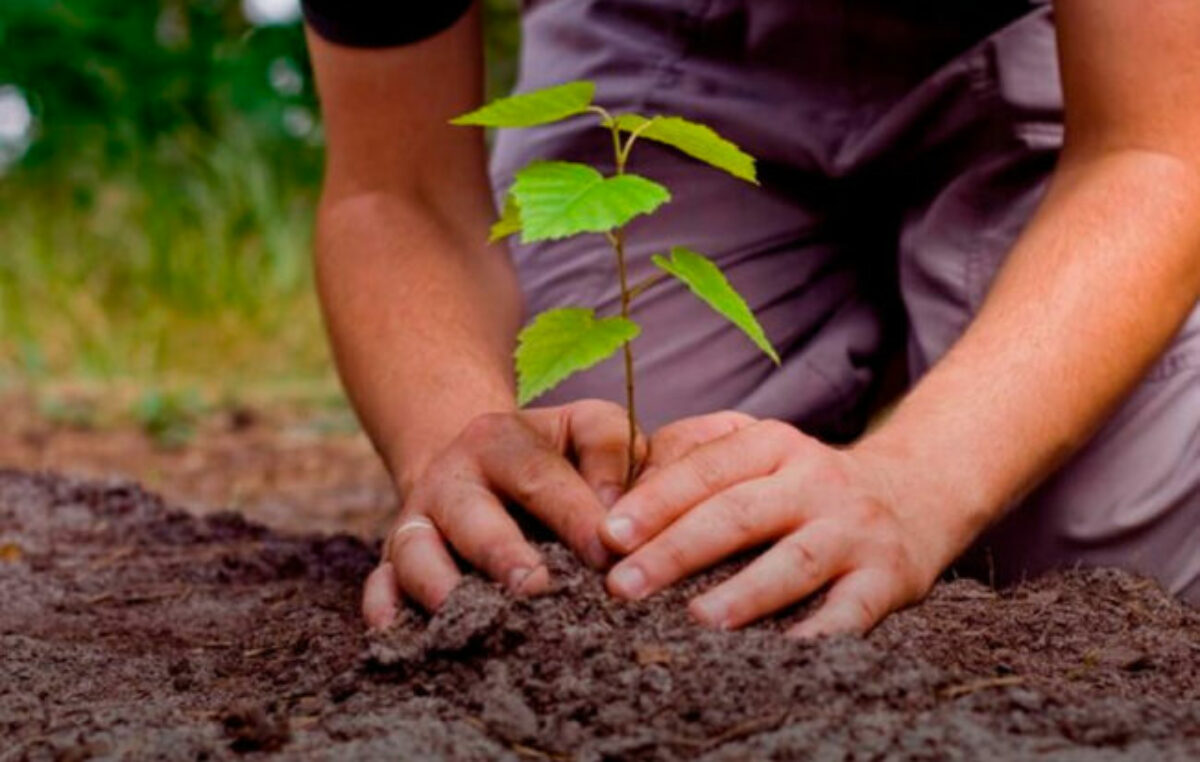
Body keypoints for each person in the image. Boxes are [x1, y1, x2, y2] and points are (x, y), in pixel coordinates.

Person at [301, 0, 1200, 635]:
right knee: (601, 498)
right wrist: (454, 444)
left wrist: (918, 482)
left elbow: (1157, 148)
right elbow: (397, 189)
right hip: (669, 35)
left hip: (1072, 49)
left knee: (1111, 544)